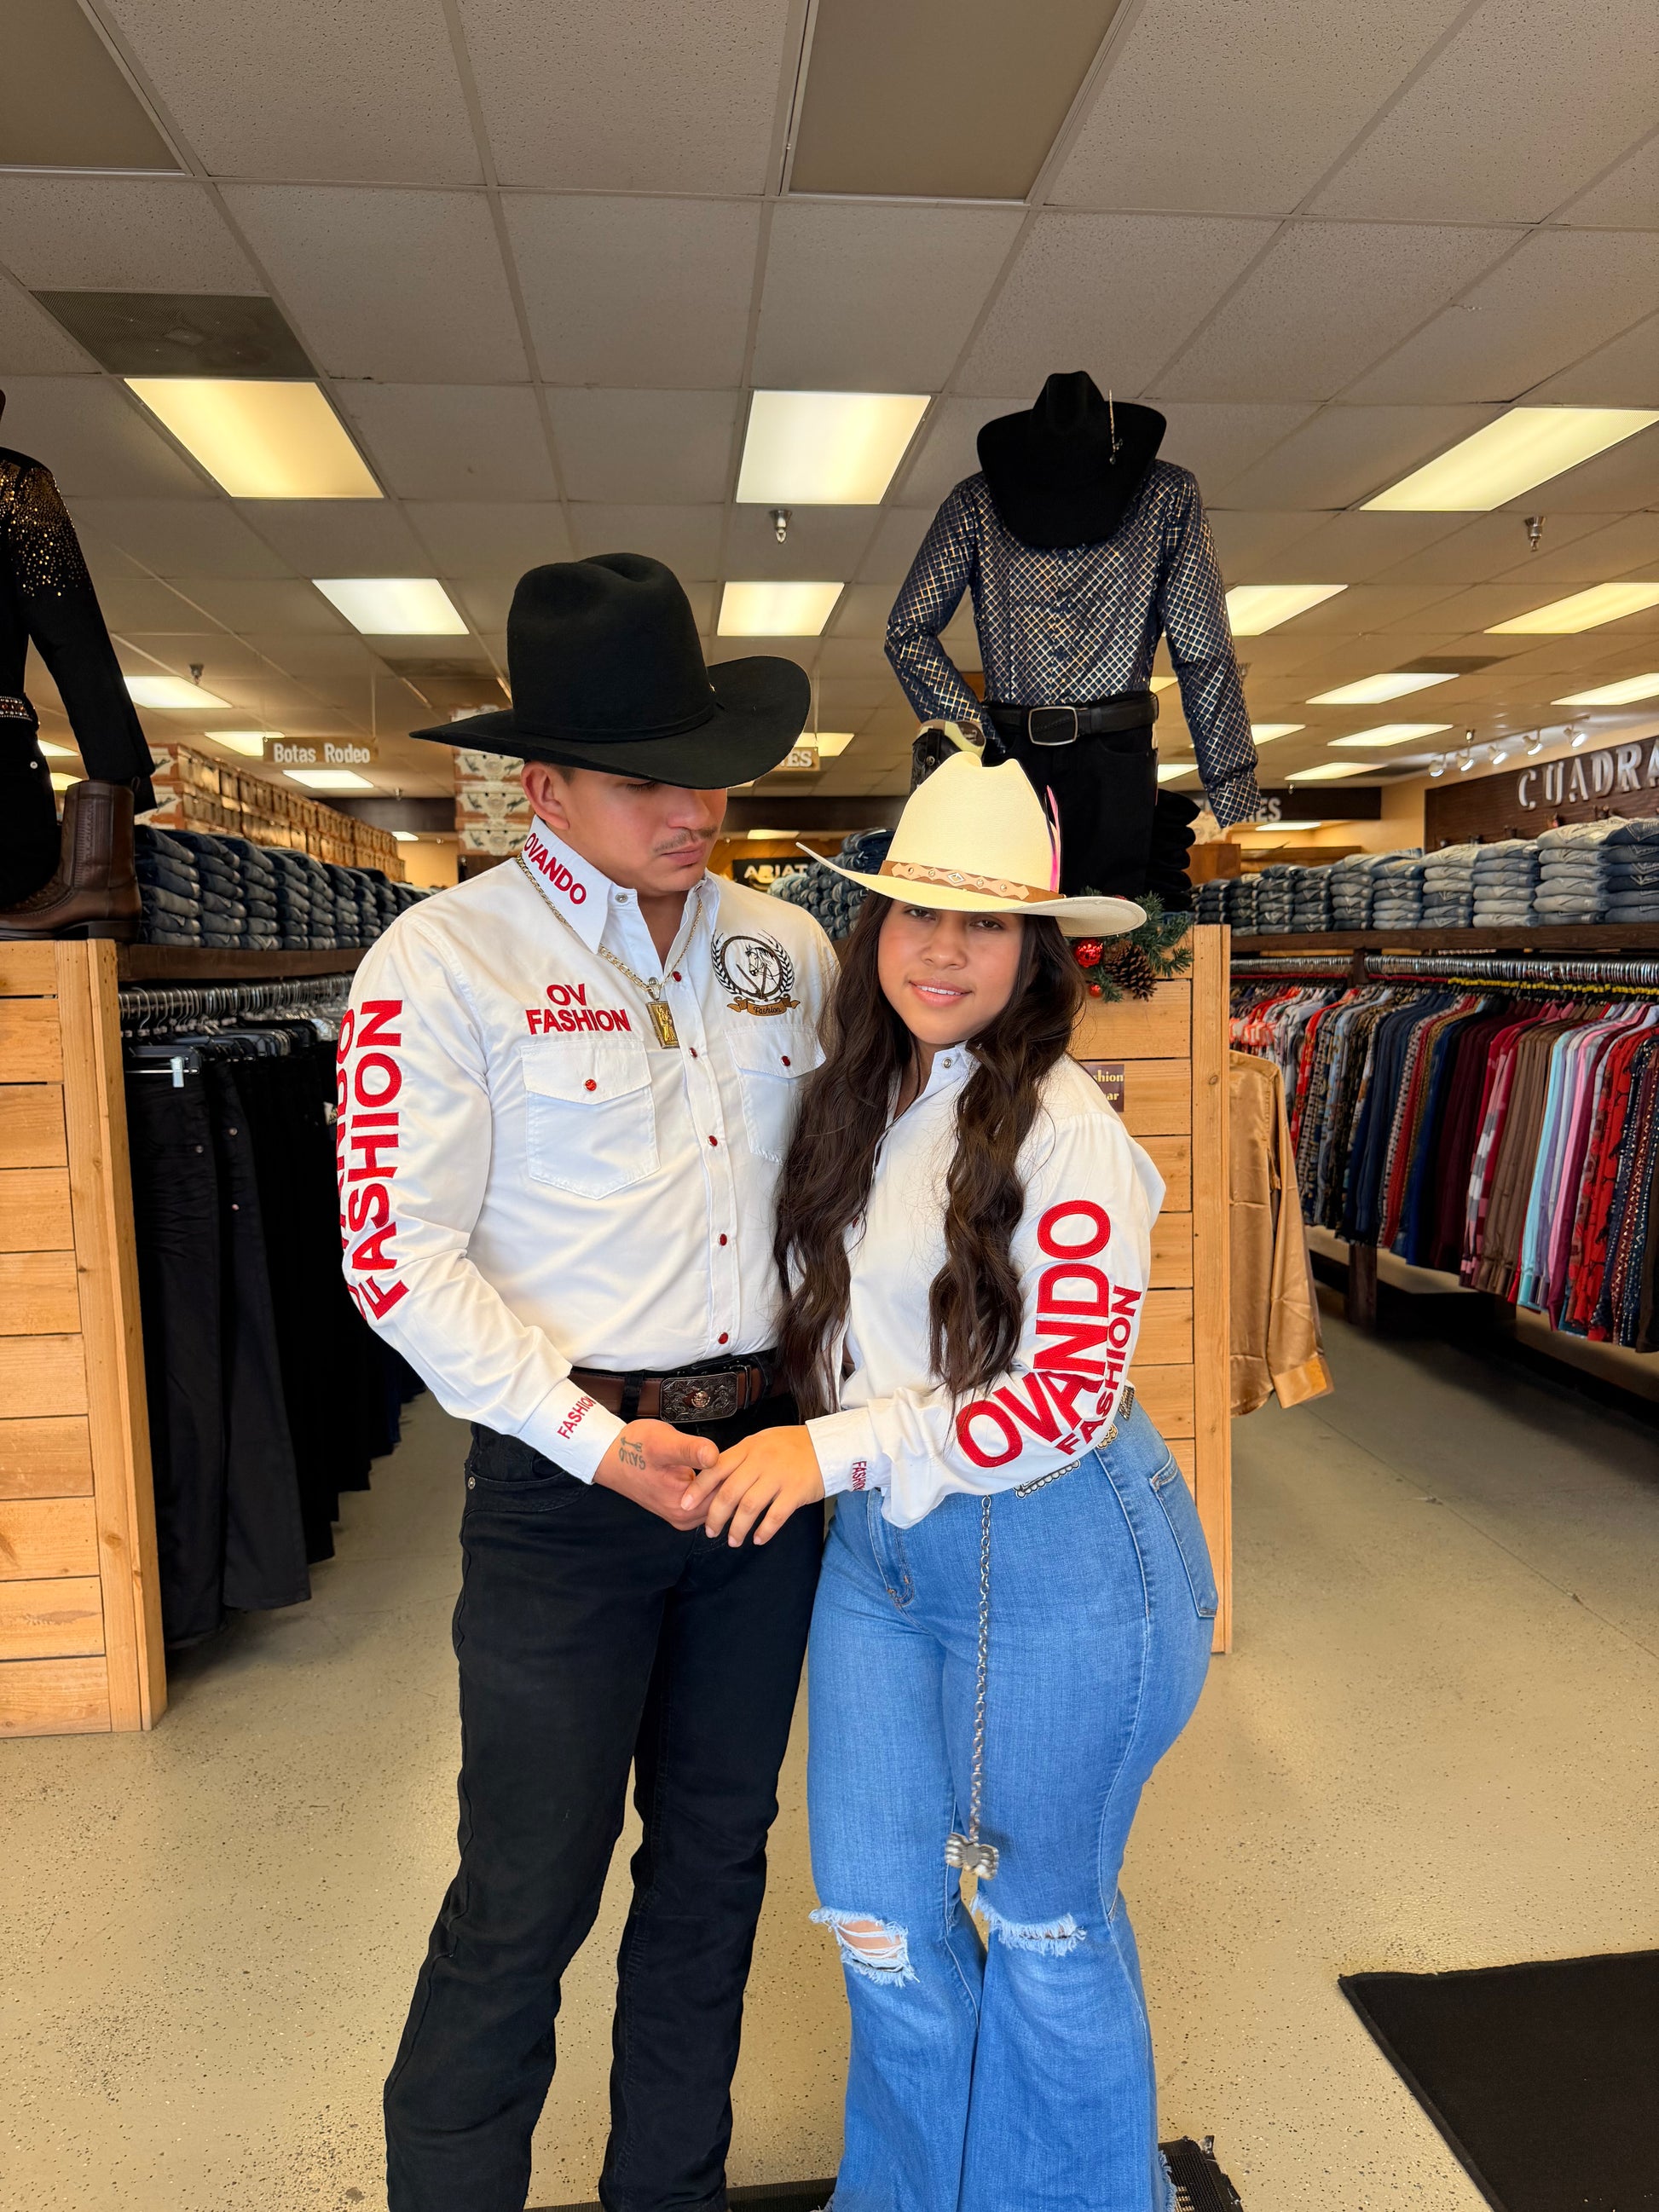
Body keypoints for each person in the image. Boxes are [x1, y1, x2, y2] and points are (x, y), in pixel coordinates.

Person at [338, 554, 840, 2212]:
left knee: (713, 1869)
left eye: (708, 770)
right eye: (644, 780)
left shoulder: (789, 949)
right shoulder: (440, 962)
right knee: (524, 1892)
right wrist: (590, 1438)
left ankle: (667, 2193)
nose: (694, 808)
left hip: (760, 1472)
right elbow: (394, 1257)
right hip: (565, 1487)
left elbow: (842, 1201)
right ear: (541, 784)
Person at [687, 745, 1217, 2212]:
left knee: (1042, 1925)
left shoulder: (1070, 1135)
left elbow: (1060, 1402)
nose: (942, 949)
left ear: (1035, 950)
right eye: (917, 912)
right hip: (885, 1559)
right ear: (875, 928)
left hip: (1065, 1564)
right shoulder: (859, 1096)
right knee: (878, 1914)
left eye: (984, 922)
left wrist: (825, 1449)